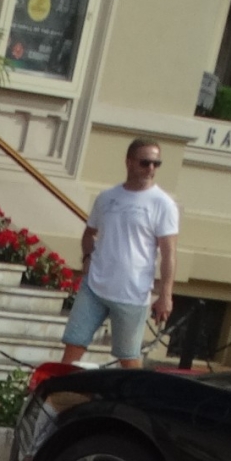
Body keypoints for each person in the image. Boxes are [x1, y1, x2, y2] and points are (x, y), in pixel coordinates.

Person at [61, 138, 178, 370]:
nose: (151, 169)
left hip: (132, 292)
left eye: (156, 163)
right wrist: (86, 260)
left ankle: (137, 402)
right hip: (95, 286)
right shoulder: (106, 197)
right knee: (73, 345)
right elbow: (89, 234)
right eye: (145, 162)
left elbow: (169, 253)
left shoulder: (162, 203)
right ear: (129, 162)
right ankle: (56, 394)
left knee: (128, 357)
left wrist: (166, 295)